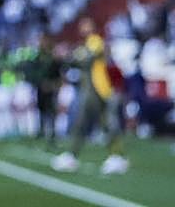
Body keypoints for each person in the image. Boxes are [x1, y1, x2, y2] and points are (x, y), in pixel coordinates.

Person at [51, 18, 129, 175]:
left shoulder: (95, 41)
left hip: (98, 89)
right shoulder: (86, 44)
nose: (83, 29)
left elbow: (85, 59)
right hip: (90, 90)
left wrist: (70, 55)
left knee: (99, 123)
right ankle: (111, 157)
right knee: (91, 123)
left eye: (86, 26)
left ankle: (114, 157)